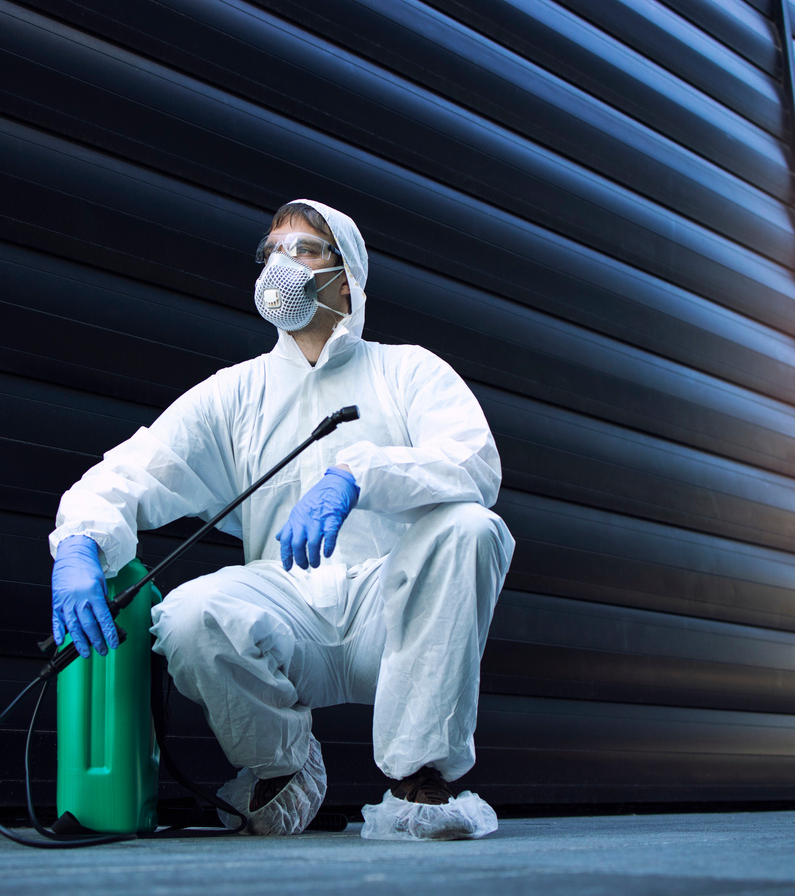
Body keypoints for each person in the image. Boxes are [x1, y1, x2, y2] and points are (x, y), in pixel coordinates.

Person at [48, 199, 514, 840]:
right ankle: (284, 766)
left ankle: (419, 778)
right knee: (187, 614)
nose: (280, 264)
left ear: (345, 275)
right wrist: (80, 541)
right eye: (272, 250)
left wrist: (358, 474)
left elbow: (473, 463)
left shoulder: (408, 370)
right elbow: (137, 468)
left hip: (396, 604)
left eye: (304, 250)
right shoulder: (235, 392)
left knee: (471, 528)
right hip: (289, 601)